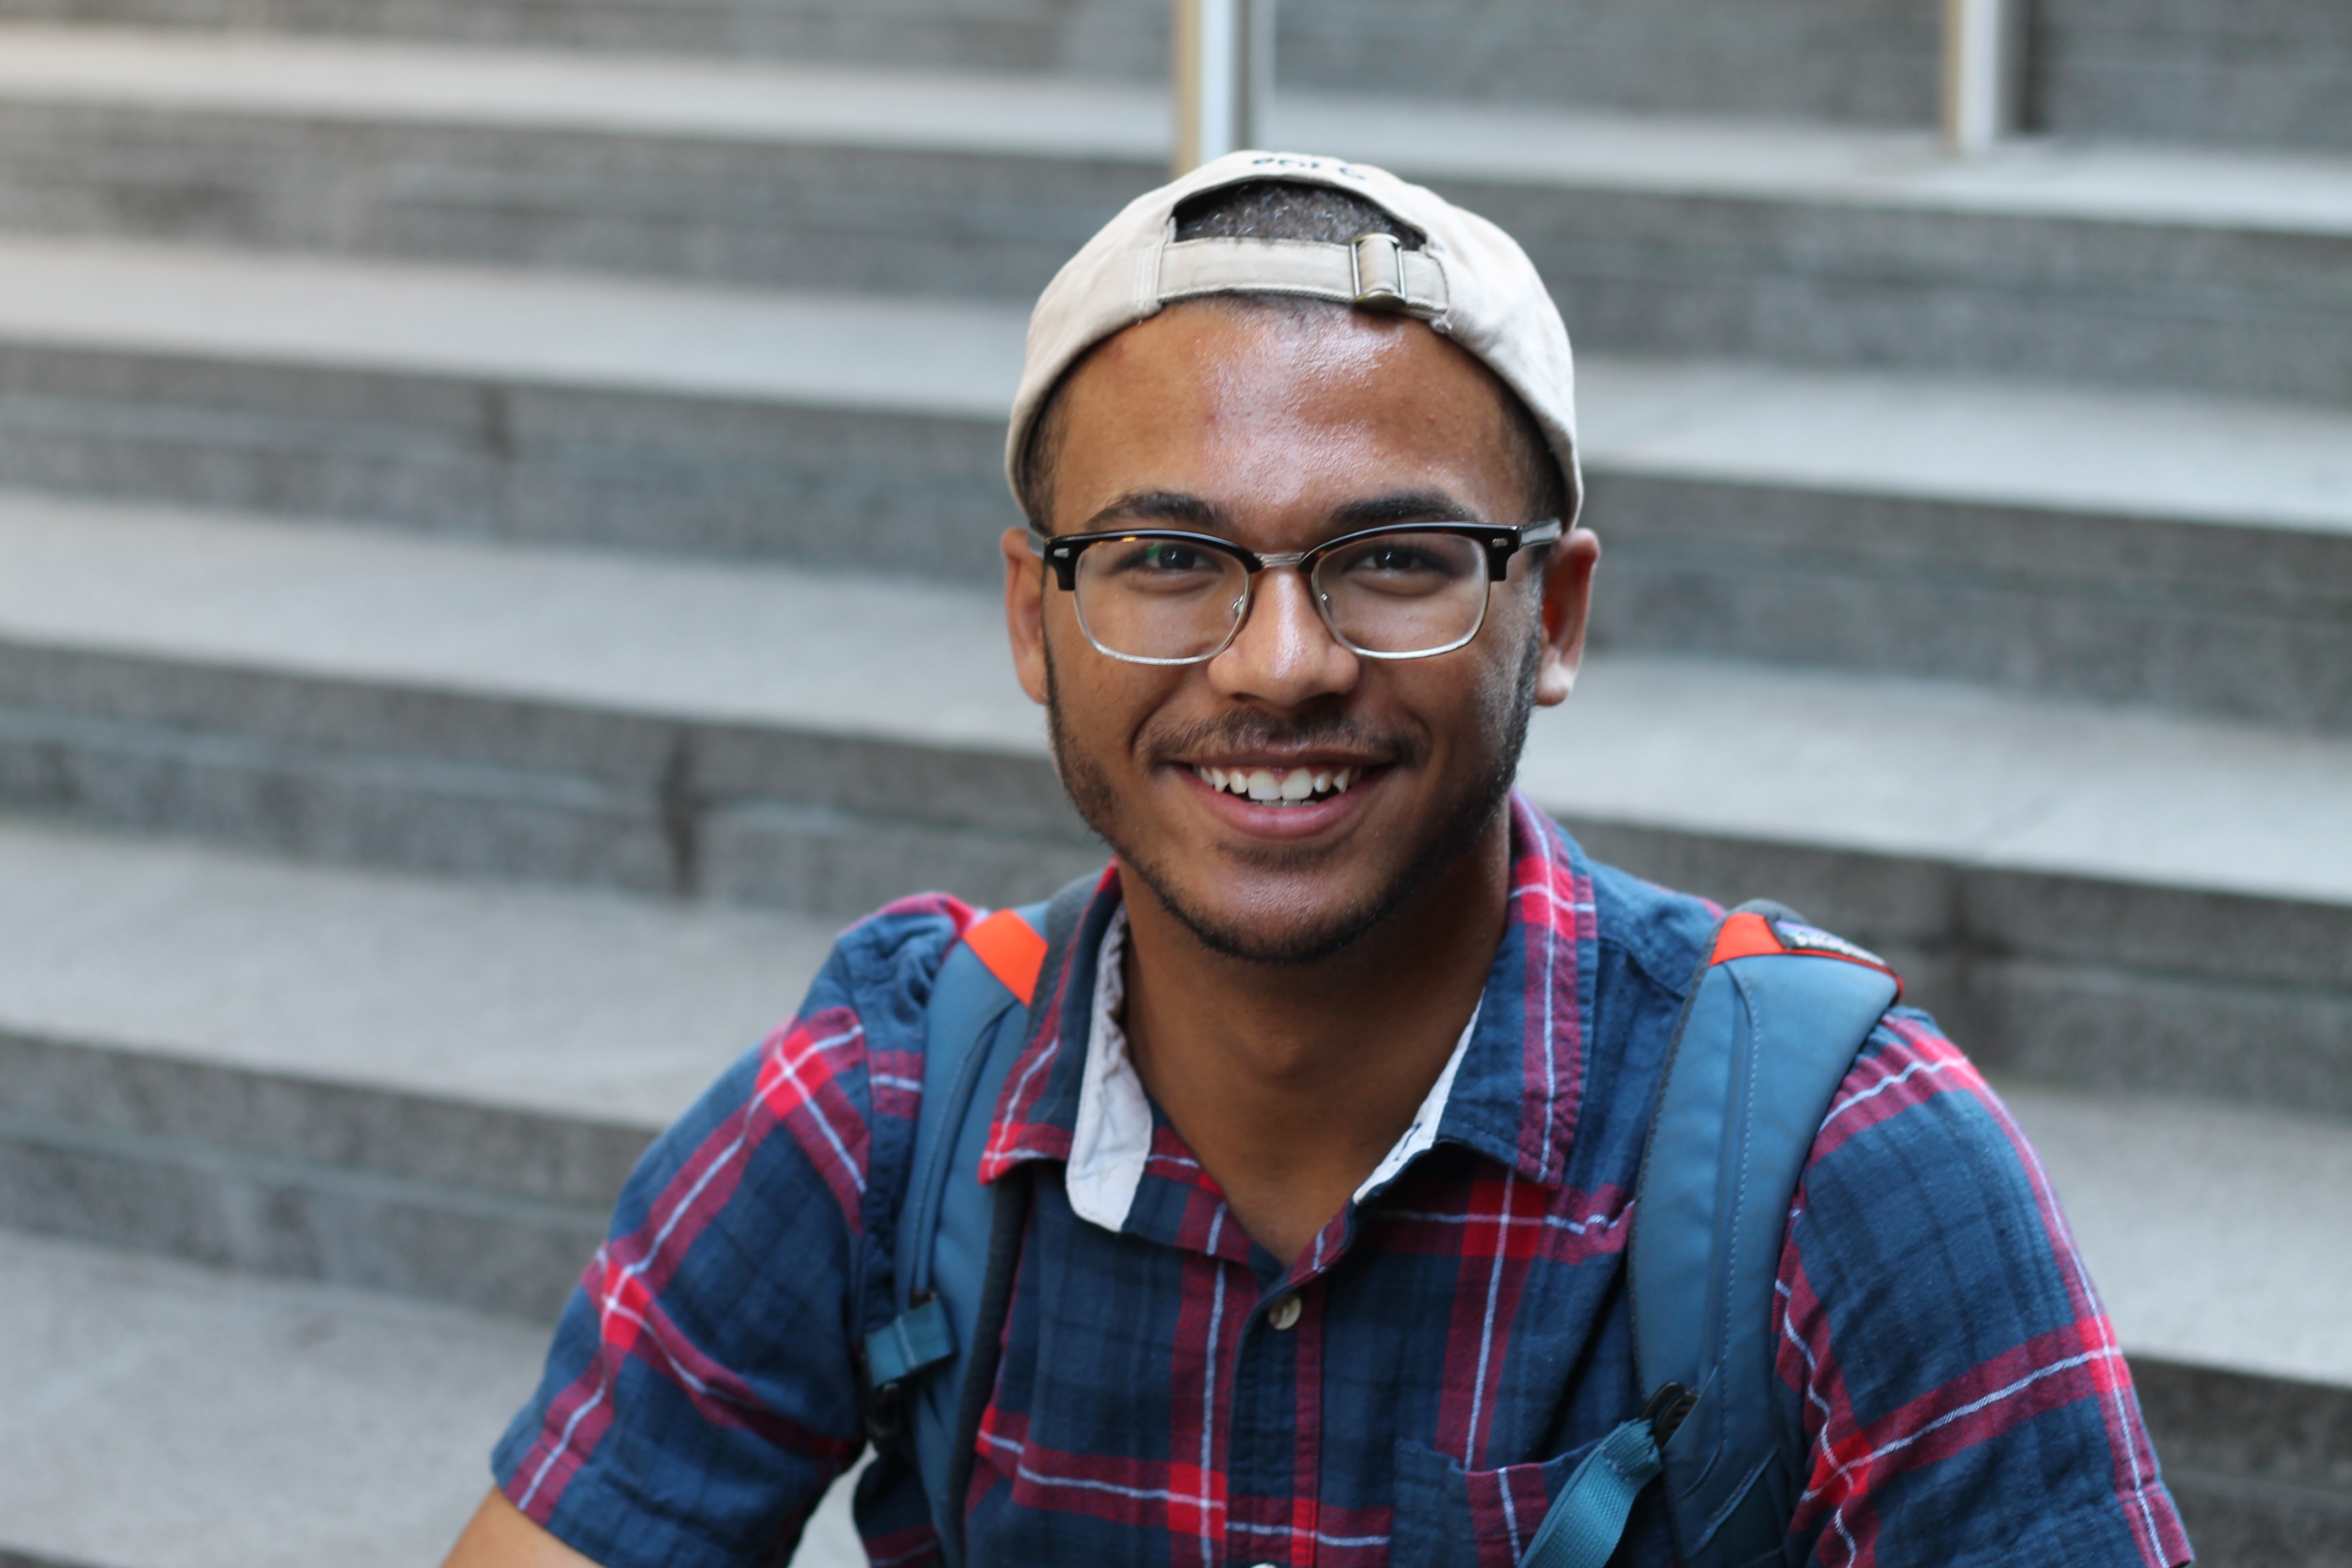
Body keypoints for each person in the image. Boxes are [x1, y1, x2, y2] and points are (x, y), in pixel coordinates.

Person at [444, 152, 2192, 1568]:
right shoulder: (892, 1104)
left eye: (1397, 560)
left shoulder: (1844, 1164)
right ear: (1034, 622)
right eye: (1167, 560)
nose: (1280, 664)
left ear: (1553, 614)